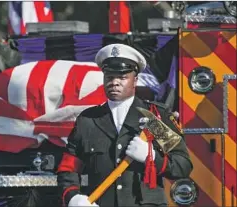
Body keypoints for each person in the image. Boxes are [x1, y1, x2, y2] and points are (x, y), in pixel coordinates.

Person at [56, 44, 193, 207]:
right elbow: (68, 168)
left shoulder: (154, 116)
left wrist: (151, 157)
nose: (114, 82)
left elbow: (182, 165)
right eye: (109, 77)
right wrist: (73, 197)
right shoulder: (88, 120)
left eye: (122, 77)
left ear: (135, 80)